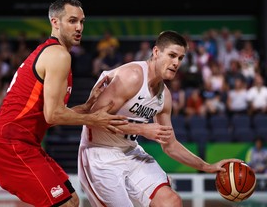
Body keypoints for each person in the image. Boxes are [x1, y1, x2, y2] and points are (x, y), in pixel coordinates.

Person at [0, 0, 128, 207]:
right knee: (65, 204)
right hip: (10, 145)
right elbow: (53, 115)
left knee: (72, 200)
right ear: (55, 22)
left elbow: (49, 115)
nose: (79, 27)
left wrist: (86, 107)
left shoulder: (53, 53)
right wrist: (95, 119)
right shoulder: (58, 55)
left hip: (23, 144)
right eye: (72, 21)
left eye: (82, 21)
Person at [78, 30, 242, 207]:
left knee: (171, 202)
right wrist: (141, 129)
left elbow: (169, 145)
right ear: (156, 52)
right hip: (100, 155)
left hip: (130, 151)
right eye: (172, 55)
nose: (176, 63)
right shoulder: (132, 76)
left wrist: (207, 167)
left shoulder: (165, 97)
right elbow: (92, 119)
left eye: (180, 58)